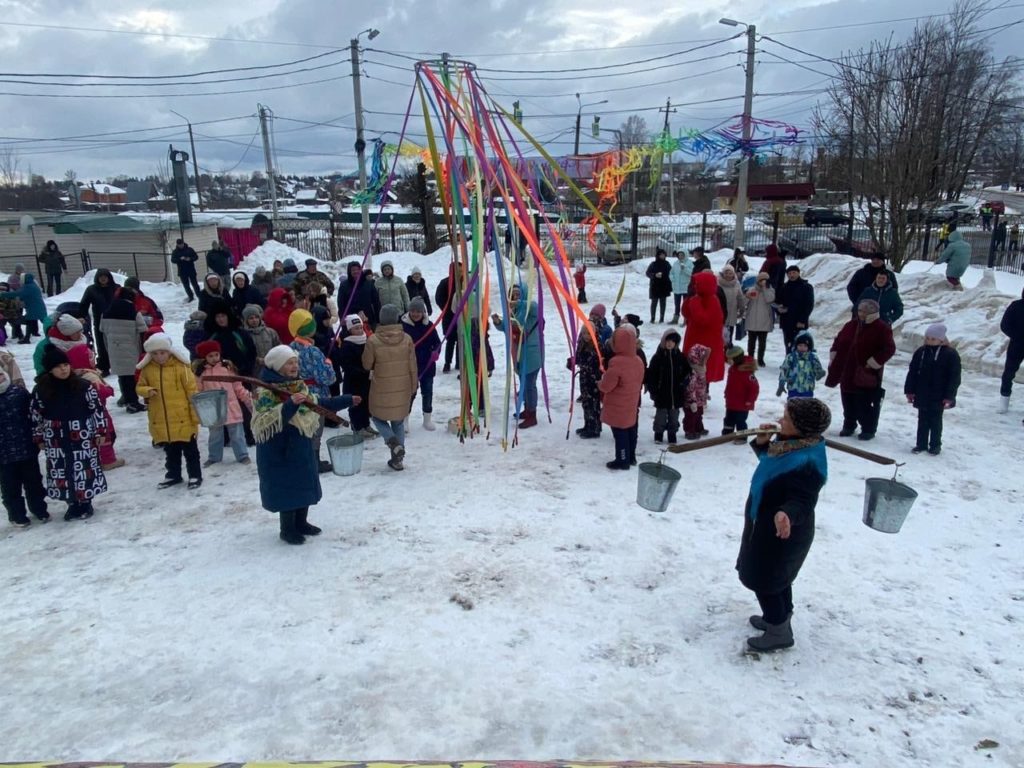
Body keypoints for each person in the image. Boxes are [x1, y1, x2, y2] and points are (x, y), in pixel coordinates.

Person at [737, 397, 830, 652]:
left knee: (765, 580)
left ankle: (779, 630)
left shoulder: (807, 462)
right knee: (777, 578)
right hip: (767, 525)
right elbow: (771, 466)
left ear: (801, 426)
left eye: (786, 418)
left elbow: (803, 498)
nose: (780, 421)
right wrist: (763, 443)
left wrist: (786, 514)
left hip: (784, 531)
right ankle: (778, 617)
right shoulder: (793, 446)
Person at [252, 345, 358, 545]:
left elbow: (318, 403)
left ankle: (301, 522)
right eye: (289, 363)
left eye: (295, 362)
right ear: (277, 366)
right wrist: (290, 404)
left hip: (300, 444)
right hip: (279, 450)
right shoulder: (265, 392)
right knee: (287, 487)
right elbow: (269, 420)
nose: (294, 366)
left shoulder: (297, 385)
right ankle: (287, 529)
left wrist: (347, 400)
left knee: (303, 484)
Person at [30, 345, 108, 520]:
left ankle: (85, 502)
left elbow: (96, 409)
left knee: (84, 468)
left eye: (65, 365)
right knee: (62, 470)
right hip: (55, 437)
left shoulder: (83, 386)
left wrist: (100, 431)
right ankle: (72, 503)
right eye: (58, 367)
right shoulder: (42, 389)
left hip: (81, 434)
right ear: (50, 370)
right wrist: (39, 436)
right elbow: (36, 414)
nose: (63, 369)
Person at [136, 333, 202, 490]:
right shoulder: (147, 370)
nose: (159, 357)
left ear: (169, 351)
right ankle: (173, 474)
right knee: (171, 451)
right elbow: (139, 386)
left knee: (190, 450)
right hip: (163, 419)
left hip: (183, 417)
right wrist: (147, 390)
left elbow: (192, 392)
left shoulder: (181, 368)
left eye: (162, 352)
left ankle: (195, 474)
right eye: (155, 353)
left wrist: (194, 416)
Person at [826, 298, 896, 441]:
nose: (861, 313)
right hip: (846, 369)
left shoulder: (882, 328)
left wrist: (873, 362)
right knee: (847, 399)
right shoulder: (851, 325)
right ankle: (849, 424)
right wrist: (834, 353)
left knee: (864, 401)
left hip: (866, 372)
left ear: (873, 313)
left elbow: (889, 348)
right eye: (860, 310)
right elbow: (838, 340)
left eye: (865, 311)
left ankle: (868, 428)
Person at [363, 304, 417, 471]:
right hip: (403, 386)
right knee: (398, 422)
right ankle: (397, 459)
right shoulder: (407, 338)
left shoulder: (373, 340)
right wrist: (413, 386)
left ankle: (391, 440)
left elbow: (366, 364)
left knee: (377, 417)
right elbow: (413, 365)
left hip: (381, 386)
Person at [288, 308, 336, 473]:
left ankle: (303, 458)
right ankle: (314, 462)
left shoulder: (289, 348)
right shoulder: (312, 351)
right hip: (315, 395)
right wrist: (328, 364)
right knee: (315, 429)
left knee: (302, 428)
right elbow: (328, 378)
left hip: (296, 394)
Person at [0, 368, 49, 527]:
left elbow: (34, 416)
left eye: (0, 375)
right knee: (10, 487)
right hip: (4, 455)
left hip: (26, 449)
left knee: (34, 482)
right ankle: (17, 514)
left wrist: (37, 438)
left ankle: (39, 508)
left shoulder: (19, 393)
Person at [904, 323, 961, 456]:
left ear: (941, 339)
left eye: (933, 339)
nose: (929, 341)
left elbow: (954, 377)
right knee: (922, 419)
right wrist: (910, 390)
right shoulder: (921, 352)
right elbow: (913, 371)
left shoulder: (950, 354)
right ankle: (921, 443)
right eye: (927, 338)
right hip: (922, 392)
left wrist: (949, 396)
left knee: (935, 421)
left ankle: (935, 445)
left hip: (939, 394)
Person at [491, 283, 543, 429]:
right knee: (524, 384)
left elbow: (535, 307)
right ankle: (527, 410)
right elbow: (509, 329)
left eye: (518, 294)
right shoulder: (513, 310)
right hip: (518, 354)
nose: (515, 297)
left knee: (529, 385)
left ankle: (532, 415)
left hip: (531, 354)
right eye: (513, 295)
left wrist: (519, 302)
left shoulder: (529, 308)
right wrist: (498, 322)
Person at [194, 340, 253, 466]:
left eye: (216, 354)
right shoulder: (201, 373)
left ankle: (242, 455)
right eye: (210, 356)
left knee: (237, 434)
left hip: (232, 407)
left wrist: (247, 398)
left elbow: (238, 386)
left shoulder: (228, 368)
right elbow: (198, 391)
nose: (214, 358)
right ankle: (214, 457)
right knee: (215, 435)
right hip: (213, 410)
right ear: (204, 357)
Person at [66, 345, 123, 471]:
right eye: (90, 357)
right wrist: (109, 389)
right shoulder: (90, 376)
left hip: (85, 412)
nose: (93, 359)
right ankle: (108, 460)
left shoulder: (75, 375)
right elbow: (101, 392)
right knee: (106, 434)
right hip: (98, 410)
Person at [599, 325, 645, 469]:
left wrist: (599, 383)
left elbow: (607, 386)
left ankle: (622, 460)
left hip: (618, 406)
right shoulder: (638, 360)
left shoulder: (617, 363)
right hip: (631, 403)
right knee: (631, 430)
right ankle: (631, 457)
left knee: (620, 433)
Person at [100, 286, 147, 413]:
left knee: (122, 376)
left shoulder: (106, 311)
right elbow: (143, 329)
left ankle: (126, 399)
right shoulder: (133, 311)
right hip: (130, 348)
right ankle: (133, 402)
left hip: (114, 347)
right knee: (131, 377)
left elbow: (102, 330)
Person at [645, 328, 691, 444]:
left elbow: (688, 372)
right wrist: (653, 391)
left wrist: (683, 384)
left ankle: (672, 434)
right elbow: (651, 375)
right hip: (661, 394)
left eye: (672, 341)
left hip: (676, 394)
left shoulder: (680, 358)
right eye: (667, 341)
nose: (669, 343)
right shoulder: (658, 358)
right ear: (663, 342)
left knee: (674, 417)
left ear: (676, 343)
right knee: (660, 416)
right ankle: (658, 434)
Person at [573, 303, 613, 439]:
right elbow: (579, 358)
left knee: (593, 404)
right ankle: (587, 424)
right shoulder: (582, 345)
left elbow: (598, 364)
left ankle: (595, 428)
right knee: (586, 402)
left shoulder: (598, 346)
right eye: (584, 333)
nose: (586, 336)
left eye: (588, 333)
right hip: (584, 378)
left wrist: (587, 367)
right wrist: (573, 361)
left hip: (594, 380)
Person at [403, 297, 441, 431]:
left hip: (427, 365)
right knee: (409, 394)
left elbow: (437, 342)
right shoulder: (403, 325)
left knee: (428, 392)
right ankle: (405, 419)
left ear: (423, 312)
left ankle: (427, 419)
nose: (415, 314)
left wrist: (436, 352)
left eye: (418, 311)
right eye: (413, 311)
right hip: (410, 366)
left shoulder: (429, 325)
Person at [682, 271, 726, 383]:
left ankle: (703, 394)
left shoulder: (713, 301)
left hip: (706, 343)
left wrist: (695, 301)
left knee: (704, 373)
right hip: (694, 338)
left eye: (697, 284)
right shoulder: (697, 298)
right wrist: (688, 298)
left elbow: (702, 319)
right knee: (690, 371)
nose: (694, 286)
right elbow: (686, 313)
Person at [339, 314, 376, 439]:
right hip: (353, 381)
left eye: (361, 327)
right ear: (349, 330)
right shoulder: (347, 345)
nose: (360, 331)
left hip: (366, 381)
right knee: (356, 405)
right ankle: (357, 427)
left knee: (366, 403)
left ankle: (365, 425)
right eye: (356, 328)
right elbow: (348, 366)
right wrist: (365, 372)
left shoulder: (367, 341)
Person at [78, 268, 118, 374]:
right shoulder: (92, 289)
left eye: (105, 276)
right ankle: (104, 366)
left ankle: (117, 364)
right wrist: (81, 316)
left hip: (115, 320)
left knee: (116, 343)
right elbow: (84, 305)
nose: (103, 279)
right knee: (101, 345)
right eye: (101, 277)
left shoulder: (116, 288)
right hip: (99, 321)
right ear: (97, 278)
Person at [203, 301, 257, 377]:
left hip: (244, 373)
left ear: (228, 316)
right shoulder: (211, 336)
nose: (221, 319)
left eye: (223, 316)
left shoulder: (240, 332)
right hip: (222, 376)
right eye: (218, 317)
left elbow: (251, 351)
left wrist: (247, 367)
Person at [775, 265, 815, 353]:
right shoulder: (784, 287)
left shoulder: (806, 287)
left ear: (798, 273)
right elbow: (778, 302)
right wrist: (779, 309)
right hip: (786, 320)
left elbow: (809, 305)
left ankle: (800, 363)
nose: (791, 275)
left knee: (801, 343)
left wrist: (802, 320)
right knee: (788, 343)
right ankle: (789, 361)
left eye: (794, 273)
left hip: (799, 321)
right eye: (789, 273)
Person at [722, 346, 759, 438]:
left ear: (736, 358)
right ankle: (727, 434)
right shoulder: (733, 369)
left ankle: (742, 437)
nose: (728, 361)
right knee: (728, 419)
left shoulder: (746, 372)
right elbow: (730, 384)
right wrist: (726, 393)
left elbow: (754, 388)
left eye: (730, 359)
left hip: (742, 403)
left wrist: (750, 400)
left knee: (740, 421)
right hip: (731, 401)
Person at [777, 331, 825, 399]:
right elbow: (784, 370)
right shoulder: (791, 357)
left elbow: (817, 369)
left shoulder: (812, 358)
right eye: (800, 345)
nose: (802, 348)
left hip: (807, 388)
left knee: (805, 407)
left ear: (809, 346)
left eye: (805, 346)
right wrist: (781, 384)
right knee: (793, 407)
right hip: (793, 387)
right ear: (796, 345)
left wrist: (820, 373)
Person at [0, 273, 45, 343]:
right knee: (35, 321)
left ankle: (26, 338)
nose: (20, 280)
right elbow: (20, 296)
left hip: (33, 308)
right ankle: (26, 337)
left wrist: (3, 295)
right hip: (37, 307)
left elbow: (17, 293)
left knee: (30, 321)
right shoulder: (32, 285)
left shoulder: (28, 287)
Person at [999, 287, 1024, 414]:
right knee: (1009, 372)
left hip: (1016, 343)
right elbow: (1004, 325)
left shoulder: (1016, 305)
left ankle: (1005, 401)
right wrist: (1017, 336)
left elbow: (1004, 325)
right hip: (1017, 344)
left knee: (1009, 372)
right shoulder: (1016, 306)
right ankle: (1004, 400)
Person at [338, 261, 381, 329]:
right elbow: (341, 304)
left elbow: (376, 302)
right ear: (349, 272)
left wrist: (378, 319)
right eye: (353, 270)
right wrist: (342, 318)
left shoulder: (369, 284)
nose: (356, 271)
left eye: (357, 269)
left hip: (368, 318)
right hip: (351, 319)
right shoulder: (344, 285)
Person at [744, 271, 775, 367]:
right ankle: (750, 357)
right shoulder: (752, 289)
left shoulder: (770, 290)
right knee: (751, 342)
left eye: (765, 280)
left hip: (764, 320)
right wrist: (747, 297)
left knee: (762, 342)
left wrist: (765, 288)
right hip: (752, 319)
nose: (763, 282)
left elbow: (770, 299)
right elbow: (745, 302)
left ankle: (760, 359)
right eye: (761, 280)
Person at [683, 344, 711, 440]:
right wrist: (691, 401)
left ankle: (698, 428)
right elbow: (690, 388)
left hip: (699, 398)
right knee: (691, 416)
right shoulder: (692, 371)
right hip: (692, 401)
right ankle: (689, 430)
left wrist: (705, 394)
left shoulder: (701, 369)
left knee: (699, 414)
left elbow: (702, 384)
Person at [435, 262, 459, 372]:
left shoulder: (464, 282)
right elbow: (439, 298)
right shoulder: (445, 282)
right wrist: (448, 309)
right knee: (450, 340)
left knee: (461, 340)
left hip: (462, 317)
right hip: (449, 317)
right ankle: (447, 363)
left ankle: (459, 362)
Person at [241, 304, 280, 373]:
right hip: (254, 371)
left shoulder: (270, 332)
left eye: (256, 317)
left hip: (272, 368)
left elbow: (278, 347)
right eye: (251, 318)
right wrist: (256, 360)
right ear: (246, 320)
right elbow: (243, 354)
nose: (254, 320)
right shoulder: (244, 335)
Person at [718, 265, 746, 346]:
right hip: (720, 314)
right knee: (720, 336)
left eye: (730, 273)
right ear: (723, 274)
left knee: (729, 337)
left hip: (732, 313)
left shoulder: (736, 284)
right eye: (726, 273)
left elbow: (740, 297)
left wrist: (742, 309)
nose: (728, 275)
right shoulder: (718, 283)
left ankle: (728, 354)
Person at [646, 248, 672, 323]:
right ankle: (653, 317)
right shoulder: (653, 264)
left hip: (664, 285)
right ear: (658, 255)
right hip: (655, 285)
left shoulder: (667, 264)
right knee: (654, 302)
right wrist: (654, 275)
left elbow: (671, 272)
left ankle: (662, 317)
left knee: (663, 302)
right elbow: (648, 273)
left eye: (664, 255)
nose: (662, 256)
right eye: (661, 255)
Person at [669, 250, 693, 324]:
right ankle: (676, 318)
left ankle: (686, 319)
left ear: (685, 255)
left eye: (682, 255)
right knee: (677, 304)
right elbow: (671, 273)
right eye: (679, 255)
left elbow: (692, 273)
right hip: (677, 287)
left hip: (685, 287)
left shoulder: (689, 263)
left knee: (685, 304)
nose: (680, 256)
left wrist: (684, 268)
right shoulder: (676, 263)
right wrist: (672, 279)